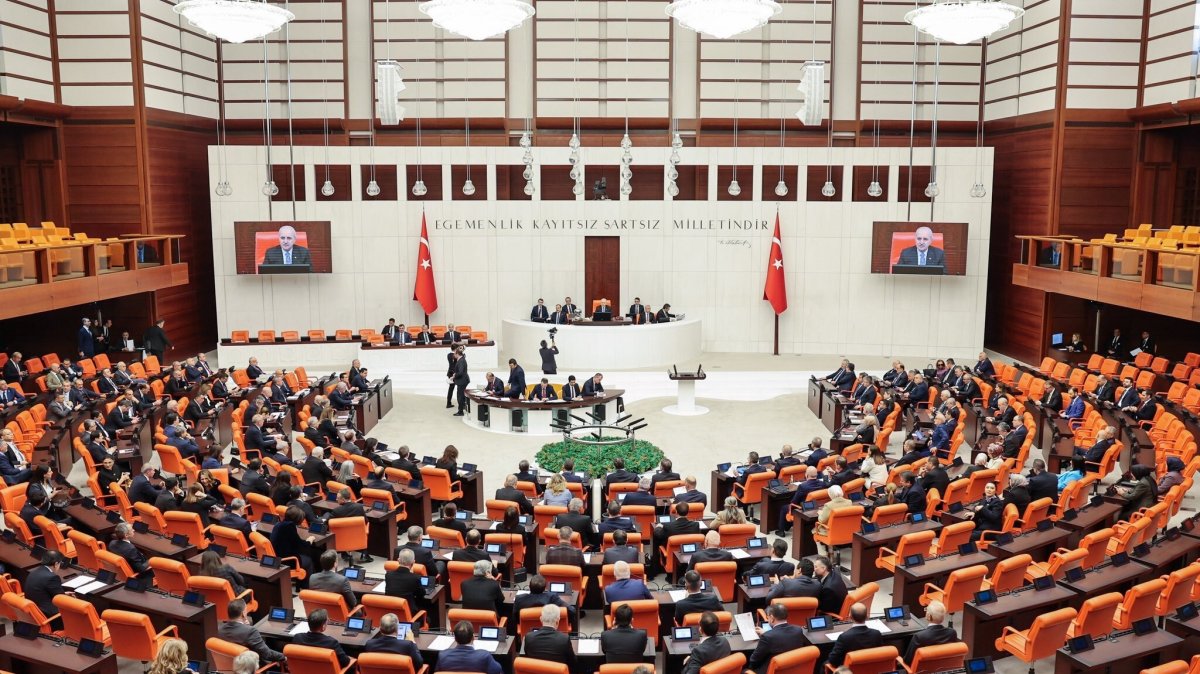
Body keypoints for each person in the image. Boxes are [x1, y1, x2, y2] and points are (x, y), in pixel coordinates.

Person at [218, 599, 285, 664]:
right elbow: (267, 654)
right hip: (249, 667)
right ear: (243, 614)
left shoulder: (219, 629)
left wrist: (246, 627)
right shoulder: (250, 631)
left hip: (228, 666)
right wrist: (284, 656)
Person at [746, 603, 807, 674]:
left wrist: (767, 634)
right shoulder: (798, 630)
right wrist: (767, 633)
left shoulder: (767, 637)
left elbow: (753, 660)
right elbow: (781, 636)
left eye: (767, 617)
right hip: (792, 668)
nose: (767, 620)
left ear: (772, 618)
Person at [828, 603, 883, 667]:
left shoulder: (844, 637)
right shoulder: (876, 634)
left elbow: (833, 661)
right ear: (866, 616)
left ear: (850, 617)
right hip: (872, 669)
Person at [437, 621, 503, 674]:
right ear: (473, 638)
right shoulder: (484, 656)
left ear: (455, 639)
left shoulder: (442, 655)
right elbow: (497, 670)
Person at [270, 505, 317, 580]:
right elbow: (300, 545)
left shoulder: (278, 524)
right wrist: (309, 540)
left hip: (277, 556)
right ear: (297, 519)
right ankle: (306, 586)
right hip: (287, 560)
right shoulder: (289, 527)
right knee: (309, 560)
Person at [26, 550, 66, 629]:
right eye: (60, 563)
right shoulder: (52, 577)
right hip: (50, 615)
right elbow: (62, 600)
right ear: (56, 564)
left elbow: (44, 590)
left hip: (35, 611)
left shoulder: (33, 572)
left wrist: (63, 593)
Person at [815, 485, 853, 556]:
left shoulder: (828, 505)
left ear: (830, 494)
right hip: (847, 531)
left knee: (815, 533)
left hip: (832, 532)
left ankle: (824, 556)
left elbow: (821, 520)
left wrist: (820, 513)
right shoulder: (849, 502)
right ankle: (831, 552)